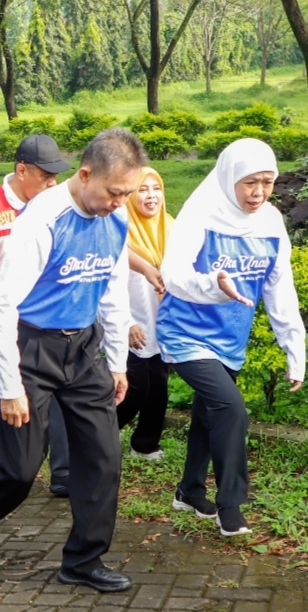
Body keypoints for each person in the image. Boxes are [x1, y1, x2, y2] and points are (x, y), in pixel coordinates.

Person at [0, 128, 148, 595]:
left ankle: (83, 560)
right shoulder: (43, 220)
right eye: (113, 192)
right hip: (31, 348)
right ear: (85, 175)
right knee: (22, 469)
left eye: (127, 193)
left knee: (103, 457)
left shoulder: (116, 220)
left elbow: (112, 290)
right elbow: (3, 307)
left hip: (83, 348)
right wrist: (9, 387)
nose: (119, 202)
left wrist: (118, 363)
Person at [157, 138, 305, 537]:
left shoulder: (271, 222)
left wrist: (295, 348)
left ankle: (189, 491)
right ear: (228, 178)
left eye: (267, 182)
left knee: (208, 416)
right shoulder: (201, 215)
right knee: (231, 408)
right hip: (184, 333)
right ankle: (230, 504)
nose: (258, 193)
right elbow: (173, 274)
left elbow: (279, 287)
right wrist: (213, 285)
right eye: (249, 183)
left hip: (229, 338)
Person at [0, 135, 72, 493]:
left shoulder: (53, 205)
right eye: (46, 175)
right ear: (22, 170)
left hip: (33, 323)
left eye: (57, 176)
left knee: (53, 394)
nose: (53, 183)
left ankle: (64, 474)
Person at [116, 168, 174, 460]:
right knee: (134, 388)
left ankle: (145, 444)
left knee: (159, 388)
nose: (151, 196)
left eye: (156, 188)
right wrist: (125, 321)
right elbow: (109, 288)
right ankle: (101, 431)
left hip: (161, 324)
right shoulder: (119, 233)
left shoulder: (173, 229)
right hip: (131, 324)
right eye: (143, 189)